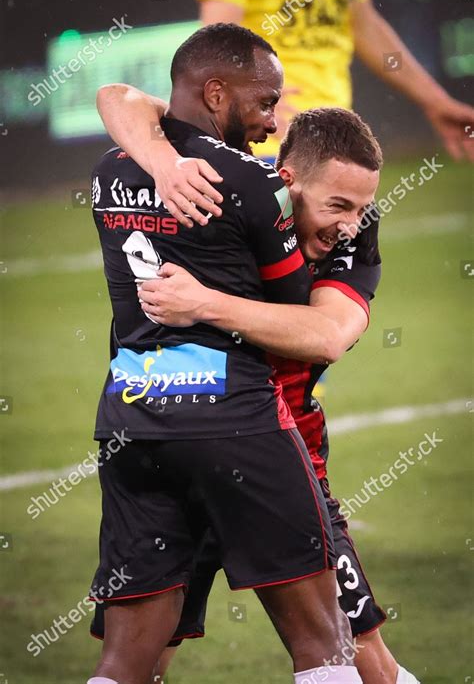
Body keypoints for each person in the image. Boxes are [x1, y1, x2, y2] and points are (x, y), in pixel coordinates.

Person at [94, 87, 419, 682]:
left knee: (363, 652)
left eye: (362, 210)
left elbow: (326, 336)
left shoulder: (356, 240)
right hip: (200, 436)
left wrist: (205, 304)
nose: (350, 227)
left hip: (283, 451)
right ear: (288, 180)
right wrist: (165, 167)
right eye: (338, 206)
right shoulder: (231, 190)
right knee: (148, 654)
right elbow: (117, 97)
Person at [197, 0, 474, 162]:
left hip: (336, 143)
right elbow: (218, 33)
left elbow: (364, 25)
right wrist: (249, 93)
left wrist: (436, 102)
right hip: (268, 145)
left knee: (345, 254)